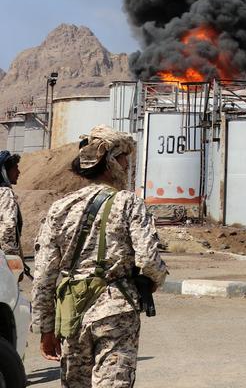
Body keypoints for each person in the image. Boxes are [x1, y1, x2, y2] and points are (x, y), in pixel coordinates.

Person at [31, 126, 168, 388]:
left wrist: (45, 328)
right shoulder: (128, 202)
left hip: (72, 316)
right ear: (111, 162)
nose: (127, 165)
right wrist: (153, 281)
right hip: (115, 313)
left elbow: (43, 276)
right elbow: (150, 260)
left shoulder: (60, 207)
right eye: (124, 158)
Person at [0, 151, 23, 258]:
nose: (18, 172)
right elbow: (7, 229)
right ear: (4, 172)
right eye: (15, 168)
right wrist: (12, 260)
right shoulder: (5, 193)